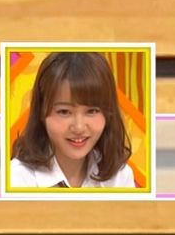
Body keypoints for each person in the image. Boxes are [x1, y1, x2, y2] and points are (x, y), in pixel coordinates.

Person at [9, 52, 136, 190]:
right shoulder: (16, 179)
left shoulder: (120, 176)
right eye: (64, 112)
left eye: (92, 111)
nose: (79, 127)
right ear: (41, 112)